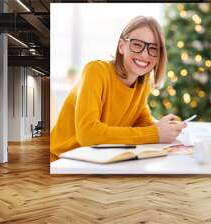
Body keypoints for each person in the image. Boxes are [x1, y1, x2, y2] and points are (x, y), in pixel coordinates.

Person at [50, 16, 187, 161]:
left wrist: (170, 126)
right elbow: (87, 134)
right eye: (137, 44)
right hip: (62, 161)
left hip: (97, 161)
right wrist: (155, 133)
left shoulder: (142, 81)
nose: (145, 54)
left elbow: (143, 122)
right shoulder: (95, 71)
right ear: (121, 46)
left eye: (153, 48)